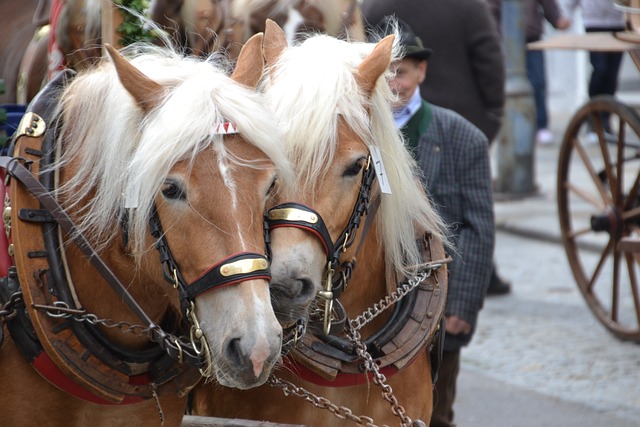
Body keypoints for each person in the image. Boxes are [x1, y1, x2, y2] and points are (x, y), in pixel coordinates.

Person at [369, 17, 495, 427]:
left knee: (435, 415)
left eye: (401, 72)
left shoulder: (464, 139)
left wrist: (464, 306)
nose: (393, 83)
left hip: (437, 307)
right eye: (385, 73)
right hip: (367, 307)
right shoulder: (355, 135)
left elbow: (478, 229)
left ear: (422, 72)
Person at [362, 0, 510, 296]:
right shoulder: (470, 7)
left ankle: (464, 286)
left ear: (421, 70)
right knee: (455, 210)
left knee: (456, 214)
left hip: (451, 124)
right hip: (458, 116)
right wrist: (489, 120)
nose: (394, 81)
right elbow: (491, 68)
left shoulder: (376, 5)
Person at [567, 0, 626, 133]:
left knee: (612, 74)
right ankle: (593, 113)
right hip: (593, 22)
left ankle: (606, 116)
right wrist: (566, 15)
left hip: (617, 22)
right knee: (601, 69)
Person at [526, 0, 571, 144]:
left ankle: (541, 125)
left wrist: (557, 19)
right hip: (507, 40)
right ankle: (518, 123)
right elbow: (492, 9)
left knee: (538, 82)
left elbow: (548, 3)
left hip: (533, 38)